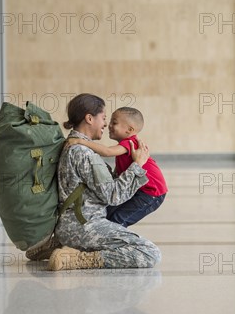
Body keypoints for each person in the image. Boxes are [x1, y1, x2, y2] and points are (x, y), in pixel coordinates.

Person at [48, 93, 161, 271]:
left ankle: (56, 246)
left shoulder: (74, 145)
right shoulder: (83, 152)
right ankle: (78, 259)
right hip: (84, 226)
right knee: (149, 252)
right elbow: (114, 196)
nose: (106, 124)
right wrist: (138, 164)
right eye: (104, 118)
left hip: (74, 224)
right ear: (89, 118)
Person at [67, 107, 168, 227]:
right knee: (108, 214)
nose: (108, 125)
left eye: (114, 123)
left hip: (151, 193)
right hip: (141, 190)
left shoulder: (129, 143)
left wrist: (81, 142)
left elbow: (107, 152)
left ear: (129, 130)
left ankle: (114, 241)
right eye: (109, 121)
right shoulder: (124, 145)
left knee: (118, 220)